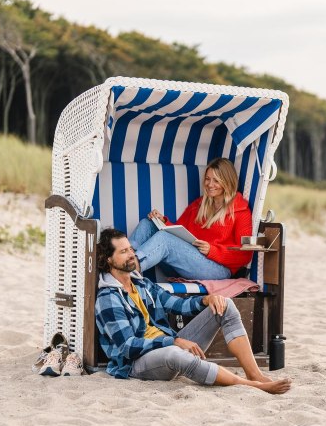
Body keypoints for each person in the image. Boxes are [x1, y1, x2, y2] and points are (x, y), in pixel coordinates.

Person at [95, 228, 291, 394]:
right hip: (138, 363)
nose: (131, 254)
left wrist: (206, 300)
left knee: (224, 305)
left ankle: (254, 374)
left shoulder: (142, 284)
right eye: (123, 252)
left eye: (130, 248)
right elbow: (128, 347)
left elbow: (176, 304)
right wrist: (173, 341)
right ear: (108, 259)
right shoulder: (108, 298)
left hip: (169, 347)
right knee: (174, 353)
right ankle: (250, 385)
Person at [129, 157, 252, 280]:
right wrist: (163, 222)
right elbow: (179, 232)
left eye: (216, 181)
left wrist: (212, 250)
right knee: (147, 224)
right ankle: (122, 258)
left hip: (219, 269)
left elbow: (245, 256)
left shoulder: (241, 212)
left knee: (164, 239)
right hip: (185, 263)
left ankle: (128, 269)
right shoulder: (198, 205)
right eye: (208, 179)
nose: (210, 184)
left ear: (227, 182)